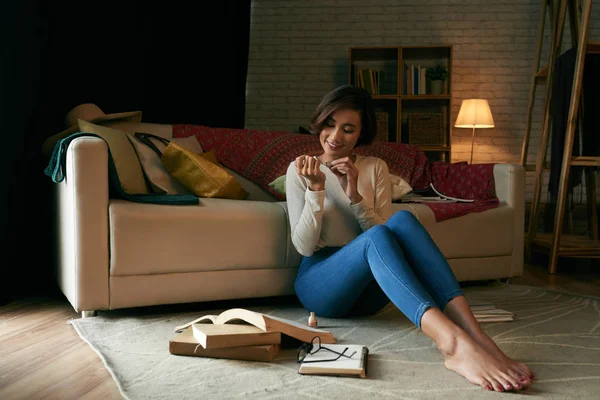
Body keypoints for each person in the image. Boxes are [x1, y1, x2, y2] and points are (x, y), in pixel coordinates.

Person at [285, 84, 534, 392]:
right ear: (319, 123)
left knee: (402, 220)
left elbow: (385, 236)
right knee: (378, 235)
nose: (335, 136)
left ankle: (476, 336)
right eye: (329, 125)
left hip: (370, 293)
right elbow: (304, 247)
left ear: (361, 133)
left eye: (348, 129)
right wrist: (316, 189)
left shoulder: (375, 168)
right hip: (321, 285)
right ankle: (451, 343)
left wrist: (355, 195)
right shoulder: (302, 169)